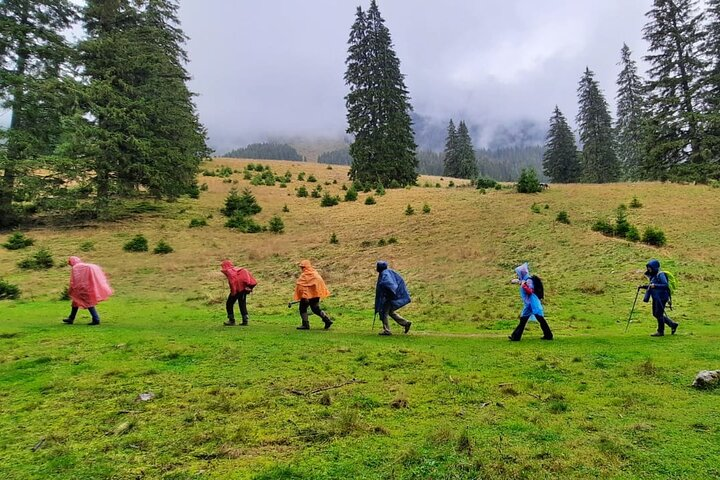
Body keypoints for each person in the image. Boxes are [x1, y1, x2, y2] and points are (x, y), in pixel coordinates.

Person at [62, 256, 113, 326]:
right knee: (75, 303)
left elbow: (75, 279)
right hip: (87, 287)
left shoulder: (76, 268)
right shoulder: (85, 266)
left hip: (80, 288)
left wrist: (72, 288)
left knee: (88, 303)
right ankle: (71, 318)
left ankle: (96, 319)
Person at [508, 263, 553, 341]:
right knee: (525, 319)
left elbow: (530, 291)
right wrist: (518, 282)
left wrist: (523, 285)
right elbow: (522, 282)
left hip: (532, 304)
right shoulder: (525, 280)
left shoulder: (528, 280)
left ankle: (548, 335)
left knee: (537, 319)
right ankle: (516, 336)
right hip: (530, 304)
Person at [640, 259, 678, 337]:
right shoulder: (653, 275)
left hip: (662, 297)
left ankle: (660, 331)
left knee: (659, 314)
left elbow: (665, 285)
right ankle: (672, 324)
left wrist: (655, 286)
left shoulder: (660, 274)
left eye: (650, 267)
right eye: (648, 267)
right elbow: (652, 286)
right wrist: (643, 286)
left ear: (654, 267)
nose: (648, 269)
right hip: (656, 297)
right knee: (655, 314)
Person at [374, 261, 412, 335]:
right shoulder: (388, 272)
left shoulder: (385, 274)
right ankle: (405, 323)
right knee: (390, 312)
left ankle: (387, 330)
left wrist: (388, 294)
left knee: (383, 313)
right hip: (391, 297)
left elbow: (389, 284)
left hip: (390, 298)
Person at [293, 260, 333, 330]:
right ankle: (327, 320)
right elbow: (319, 285)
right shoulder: (315, 274)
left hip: (306, 296)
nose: (302, 269)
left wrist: (304, 296)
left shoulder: (304, 276)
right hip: (315, 294)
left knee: (302, 308)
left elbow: (302, 286)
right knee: (315, 309)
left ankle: (305, 324)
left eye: (302, 267)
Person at [221, 260, 257, 326]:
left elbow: (232, 283)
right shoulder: (238, 269)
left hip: (238, 289)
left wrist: (233, 293)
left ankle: (231, 320)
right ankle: (245, 320)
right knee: (242, 303)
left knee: (229, 303)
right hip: (244, 288)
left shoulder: (229, 272)